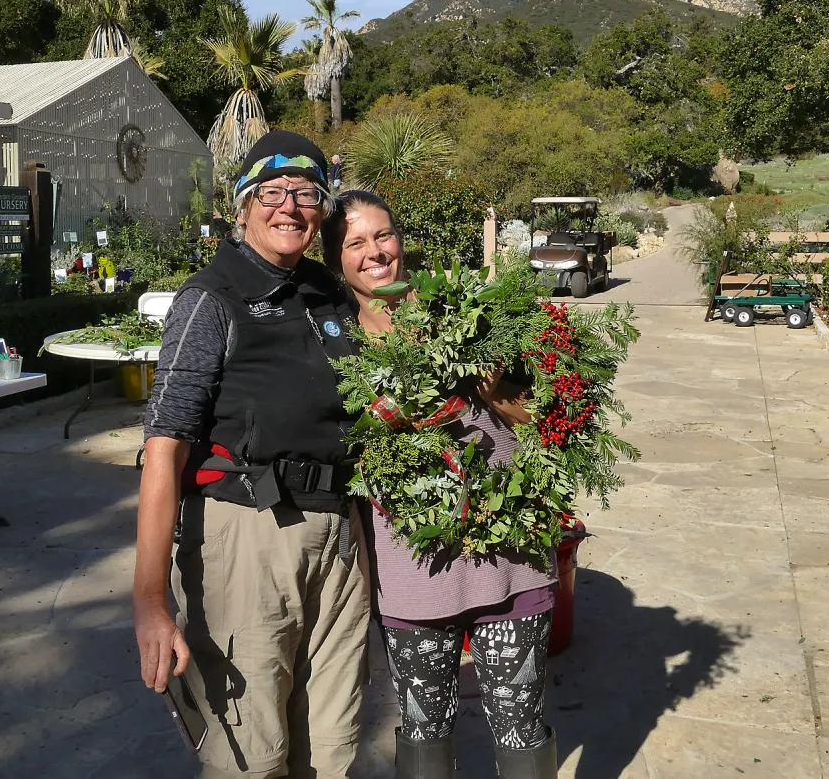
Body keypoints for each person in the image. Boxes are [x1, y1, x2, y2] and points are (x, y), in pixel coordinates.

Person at [133, 131, 370, 779]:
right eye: (272, 190)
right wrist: (150, 600)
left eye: (306, 192)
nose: (289, 206)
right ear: (243, 204)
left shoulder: (330, 294)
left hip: (339, 540)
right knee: (252, 759)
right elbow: (164, 448)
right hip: (247, 538)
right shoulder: (211, 299)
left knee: (333, 749)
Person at [321, 190, 559, 779]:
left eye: (383, 235)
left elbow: (538, 416)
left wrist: (493, 388)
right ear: (335, 261)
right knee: (424, 731)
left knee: (521, 723)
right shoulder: (333, 343)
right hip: (412, 566)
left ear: (401, 239)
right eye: (355, 243)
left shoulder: (459, 309)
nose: (375, 253)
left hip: (509, 546)